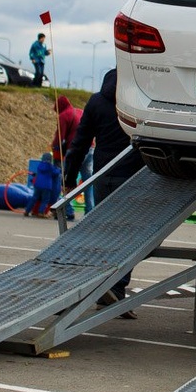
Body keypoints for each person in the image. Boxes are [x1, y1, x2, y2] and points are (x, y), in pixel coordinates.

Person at [63, 69, 142, 314]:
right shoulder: (138, 100)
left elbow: (80, 142)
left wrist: (69, 177)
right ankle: (115, 289)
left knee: (105, 233)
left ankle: (100, 286)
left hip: (101, 177)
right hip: (130, 177)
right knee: (131, 238)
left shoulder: (96, 101)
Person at [52, 95, 82, 220]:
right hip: (88, 149)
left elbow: (60, 138)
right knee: (88, 181)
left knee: (64, 181)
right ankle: (91, 210)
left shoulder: (63, 116)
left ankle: (67, 210)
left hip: (71, 151)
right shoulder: (80, 112)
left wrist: (55, 148)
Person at [24, 152, 62, 218]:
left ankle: (27, 211)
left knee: (34, 198)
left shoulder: (40, 165)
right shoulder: (50, 167)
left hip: (37, 184)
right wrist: (59, 169)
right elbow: (55, 173)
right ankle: (41, 212)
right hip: (46, 186)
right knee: (45, 200)